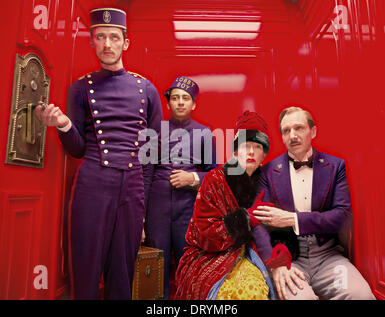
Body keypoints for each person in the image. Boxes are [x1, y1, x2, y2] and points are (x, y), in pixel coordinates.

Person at [34, 7, 163, 299]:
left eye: (114, 37)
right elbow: (77, 150)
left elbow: (150, 154)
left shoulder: (148, 90)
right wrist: (63, 124)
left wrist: (142, 207)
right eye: (100, 36)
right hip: (91, 183)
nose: (107, 44)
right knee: (85, 269)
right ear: (92, 41)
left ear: (125, 42)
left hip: (132, 189)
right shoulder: (80, 89)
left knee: (122, 272)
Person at [253, 106, 375, 300]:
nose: (292, 135)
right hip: (290, 260)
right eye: (286, 131)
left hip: (329, 259)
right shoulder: (267, 171)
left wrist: (293, 219)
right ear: (282, 137)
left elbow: (343, 217)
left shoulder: (335, 166)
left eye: (299, 128)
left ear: (313, 131)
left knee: (361, 295)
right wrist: (275, 265)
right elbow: (258, 223)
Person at [175, 111, 292, 300]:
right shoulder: (215, 180)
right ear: (236, 150)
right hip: (211, 255)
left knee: (254, 289)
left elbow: (283, 226)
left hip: (254, 253)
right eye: (246, 145)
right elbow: (205, 234)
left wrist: (283, 247)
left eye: (258, 146)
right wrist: (244, 219)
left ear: (265, 153)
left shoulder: (272, 181)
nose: (252, 152)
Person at [145, 76, 217, 298]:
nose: (180, 102)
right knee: (157, 264)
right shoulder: (154, 131)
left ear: (193, 104)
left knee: (188, 264)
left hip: (189, 210)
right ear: (168, 104)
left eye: (185, 98)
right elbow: (144, 174)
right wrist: (141, 217)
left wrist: (193, 178)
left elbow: (215, 176)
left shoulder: (205, 133)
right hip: (156, 208)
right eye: (175, 98)